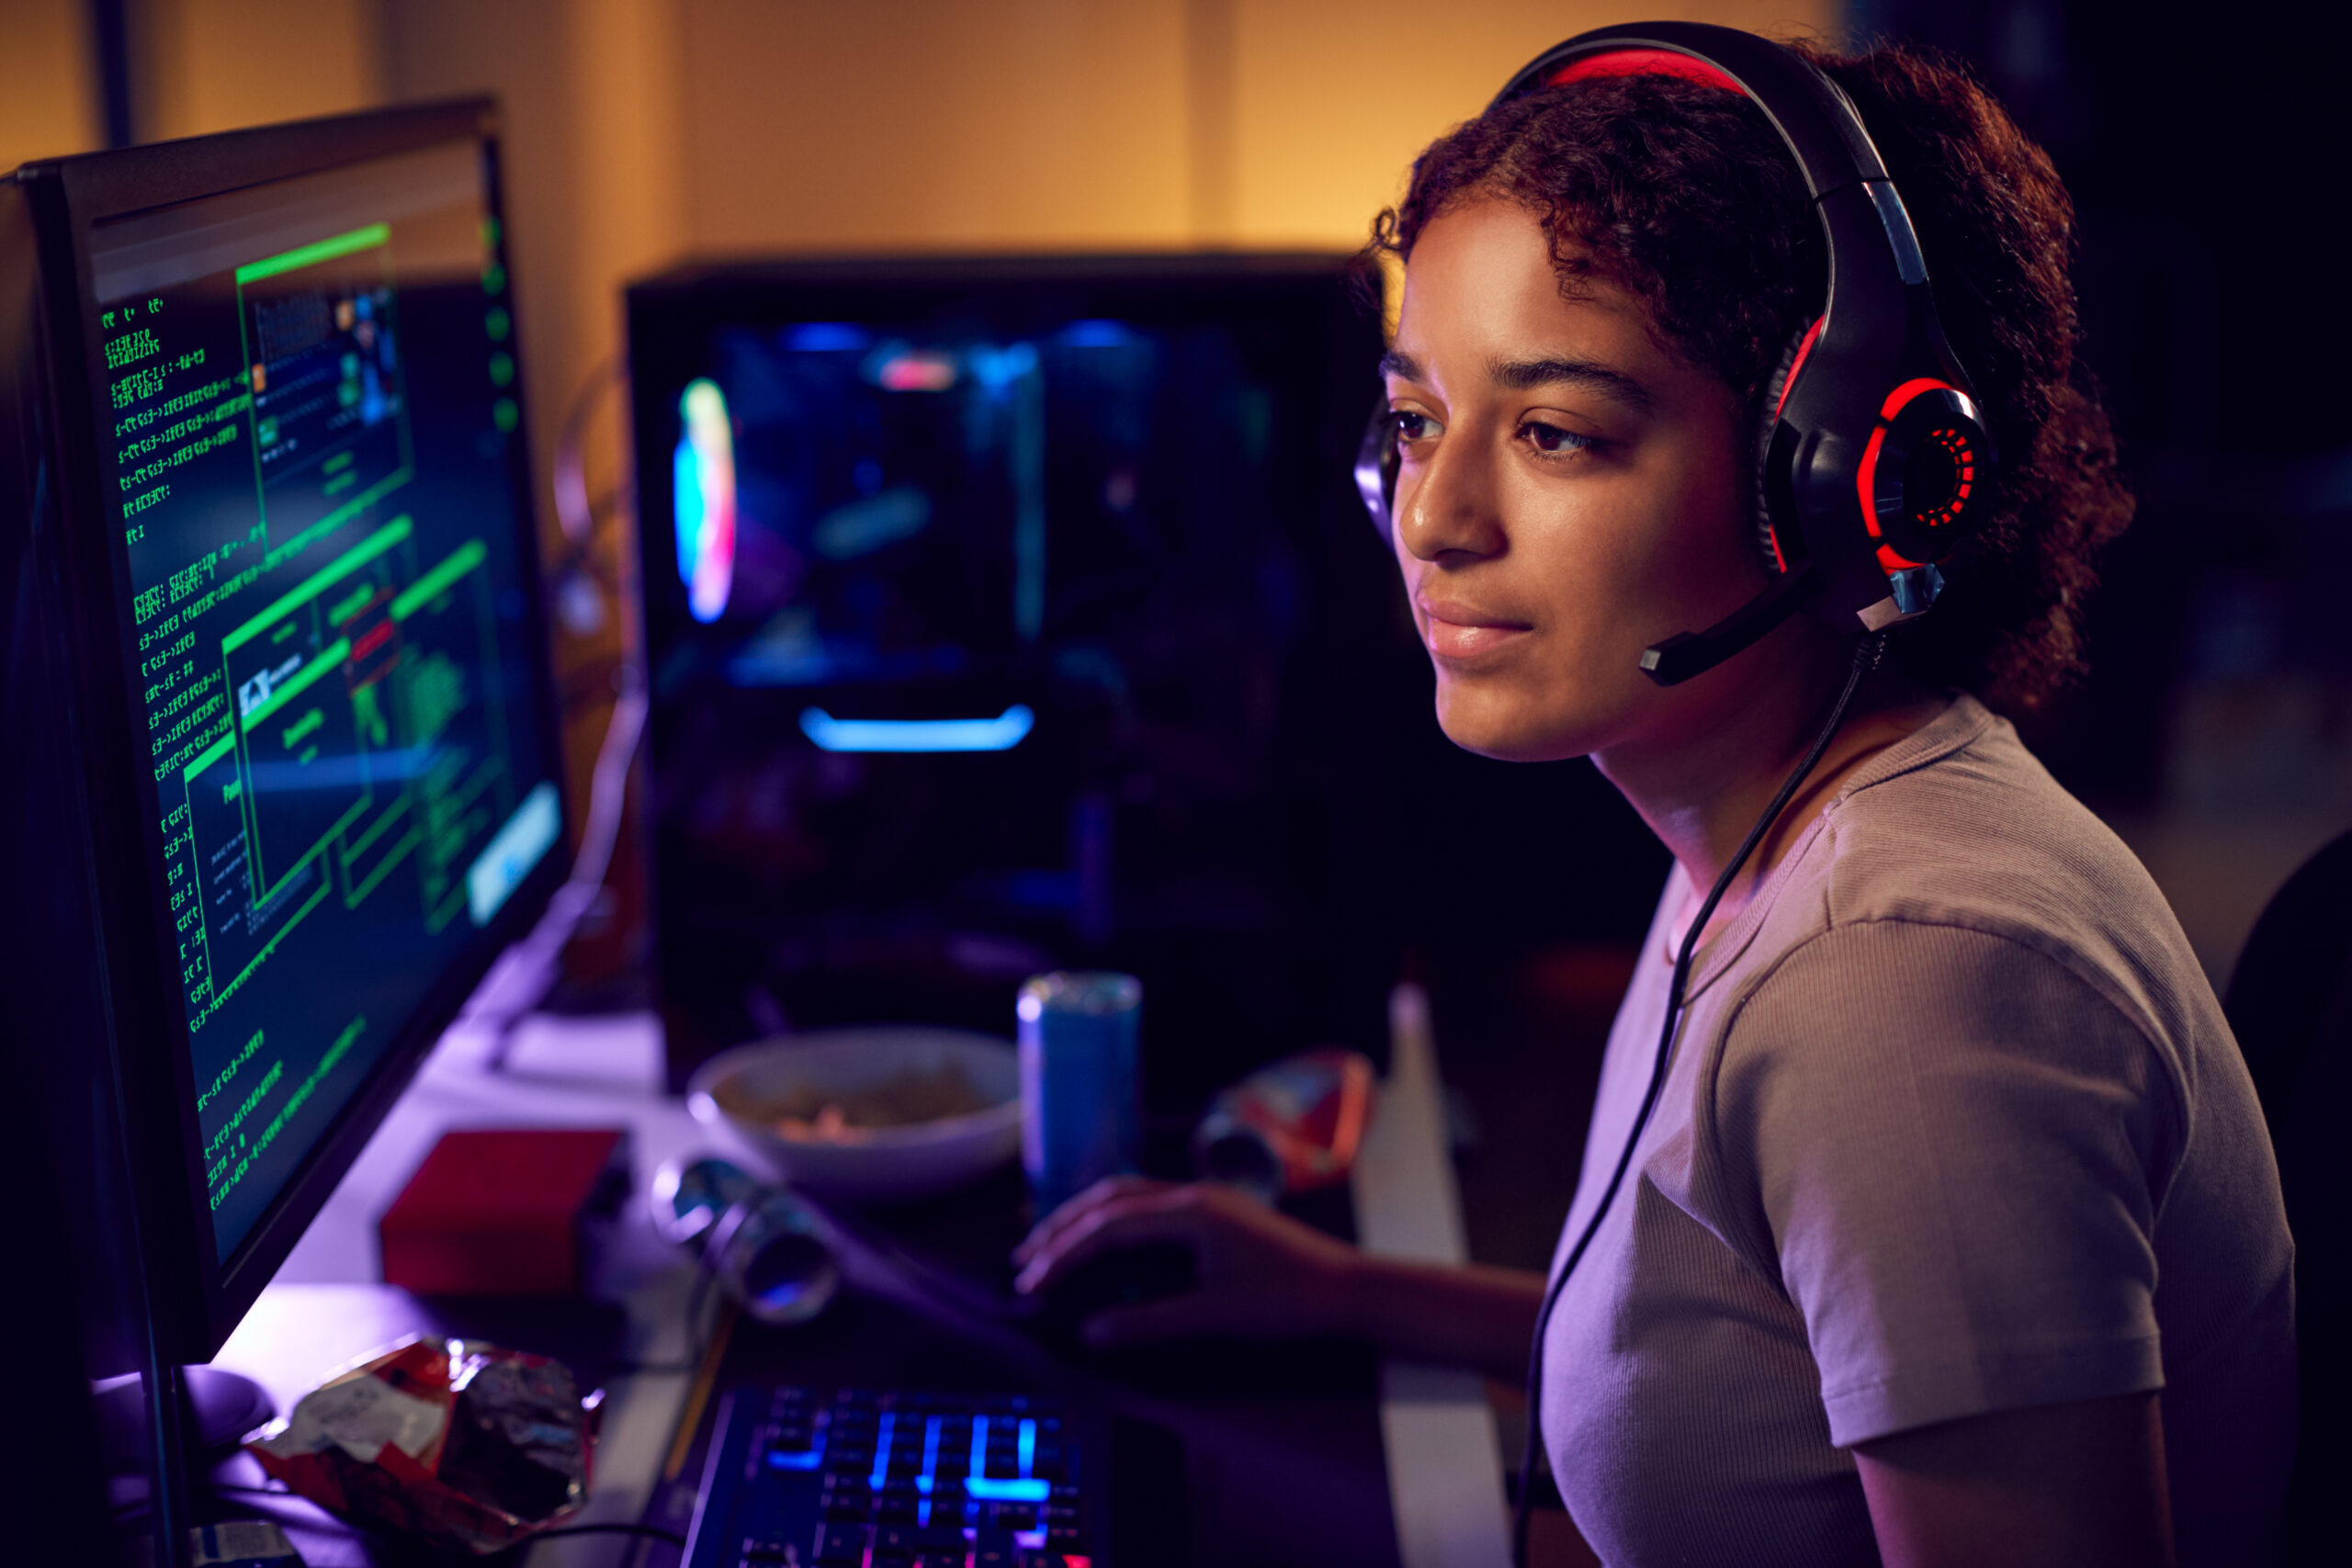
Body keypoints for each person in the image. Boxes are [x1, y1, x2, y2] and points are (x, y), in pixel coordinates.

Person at [1011, 31, 2297, 1568]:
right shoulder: (1771, 819)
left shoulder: (1910, 984)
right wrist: (1343, 1291)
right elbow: (1781, 1366)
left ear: (1843, 486)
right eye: (1419, 423)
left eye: (1557, 434)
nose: (1435, 519)